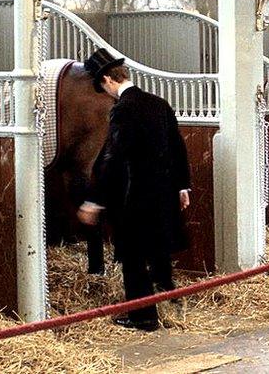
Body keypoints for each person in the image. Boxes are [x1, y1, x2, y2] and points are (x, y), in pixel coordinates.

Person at [76, 48, 191, 332]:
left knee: (133, 256)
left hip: (138, 194)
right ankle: (167, 296)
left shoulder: (124, 109)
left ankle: (143, 316)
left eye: (102, 88)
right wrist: (182, 186)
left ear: (107, 80)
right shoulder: (158, 103)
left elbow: (114, 157)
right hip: (164, 192)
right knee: (159, 249)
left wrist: (95, 201)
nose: (105, 94)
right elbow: (177, 147)